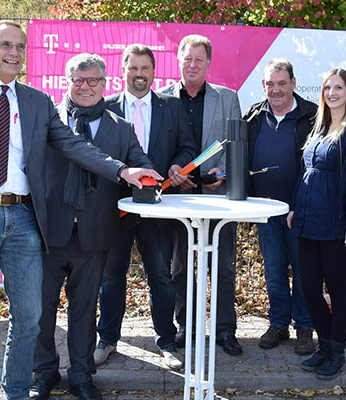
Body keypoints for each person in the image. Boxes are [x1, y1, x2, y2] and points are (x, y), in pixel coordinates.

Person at [0, 20, 152, 400]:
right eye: (5, 45)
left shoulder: (36, 102)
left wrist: (123, 169)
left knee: (29, 320)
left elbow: (74, 145)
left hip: (23, 219)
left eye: (21, 46)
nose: (14, 52)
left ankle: (18, 391)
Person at [32, 53, 160, 400]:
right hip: (47, 233)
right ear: (67, 81)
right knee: (41, 309)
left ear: (106, 85)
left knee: (85, 309)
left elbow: (141, 163)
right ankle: (43, 372)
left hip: (95, 233)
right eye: (78, 80)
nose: (85, 87)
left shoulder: (121, 127)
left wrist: (154, 178)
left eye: (93, 81)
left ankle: (81, 375)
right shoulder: (45, 120)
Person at [94, 44, 195, 370]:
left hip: (159, 207)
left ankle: (166, 342)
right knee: (111, 278)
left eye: (145, 69)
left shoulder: (173, 106)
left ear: (154, 72)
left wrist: (178, 166)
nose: (139, 75)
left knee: (161, 277)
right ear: (123, 71)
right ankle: (107, 340)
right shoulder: (105, 107)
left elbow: (187, 146)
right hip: (114, 206)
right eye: (133, 68)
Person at [161, 34, 243, 356]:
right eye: (187, 58)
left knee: (222, 265)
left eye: (199, 59)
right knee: (181, 265)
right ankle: (187, 327)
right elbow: (158, 143)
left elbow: (234, 143)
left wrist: (218, 173)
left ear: (208, 63)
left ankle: (224, 329)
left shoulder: (228, 97)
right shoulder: (163, 97)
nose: (192, 65)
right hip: (177, 196)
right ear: (178, 60)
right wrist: (171, 170)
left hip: (217, 193)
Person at [287, 68, 346, 380]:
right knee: (309, 289)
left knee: (336, 288)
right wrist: (296, 207)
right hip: (308, 221)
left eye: (338, 87)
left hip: (337, 224)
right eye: (327, 88)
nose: (332, 93)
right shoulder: (318, 127)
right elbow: (306, 171)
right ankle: (323, 345)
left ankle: (337, 350)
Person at [244, 58, 316, 355]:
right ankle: (278, 324)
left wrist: (302, 204)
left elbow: (316, 165)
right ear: (263, 85)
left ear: (293, 84)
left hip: (299, 209)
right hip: (265, 210)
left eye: (281, 83)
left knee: (302, 270)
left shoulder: (312, 115)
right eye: (270, 84)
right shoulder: (254, 115)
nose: (275, 90)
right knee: (274, 270)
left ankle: (304, 326)